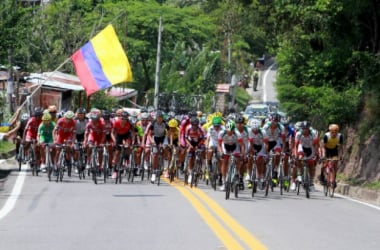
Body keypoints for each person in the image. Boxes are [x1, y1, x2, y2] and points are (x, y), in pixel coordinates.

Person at [291, 121, 320, 192]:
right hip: (302, 147)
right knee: (299, 157)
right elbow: (296, 146)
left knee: (312, 164)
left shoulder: (313, 134)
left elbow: (316, 145)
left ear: (308, 128)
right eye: (303, 128)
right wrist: (295, 154)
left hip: (310, 147)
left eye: (306, 128)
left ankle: (311, 182)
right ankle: (299, 174)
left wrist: (316, 154)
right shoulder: (298, 134)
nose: (305, 130)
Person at [218, 120, 245, 191]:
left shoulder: (237, 134)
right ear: (226, 129)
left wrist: (242, 154)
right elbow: (219, 144)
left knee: (238, 158)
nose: (229, 132)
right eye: (228, 131)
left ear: (233, 129)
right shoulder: (221, 133)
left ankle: (236, 173)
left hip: (234, 146)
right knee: (224, 161)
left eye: (231, 131)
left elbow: (242, 145)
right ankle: (224, 182)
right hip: (225, 146)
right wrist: (221, 152)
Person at [53, 110, 76, 175]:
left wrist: (73, 142)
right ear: (65, 117)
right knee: (57, 151)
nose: (68, 120)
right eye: (67, 118)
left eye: (70, 119)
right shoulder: (60, 121)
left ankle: (68, 160)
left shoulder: (73, 122)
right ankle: (55, 167)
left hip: (68, 136)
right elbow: (54, 131)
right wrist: (54, 139)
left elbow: (74, 134)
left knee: (68, 146)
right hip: (60, 136)